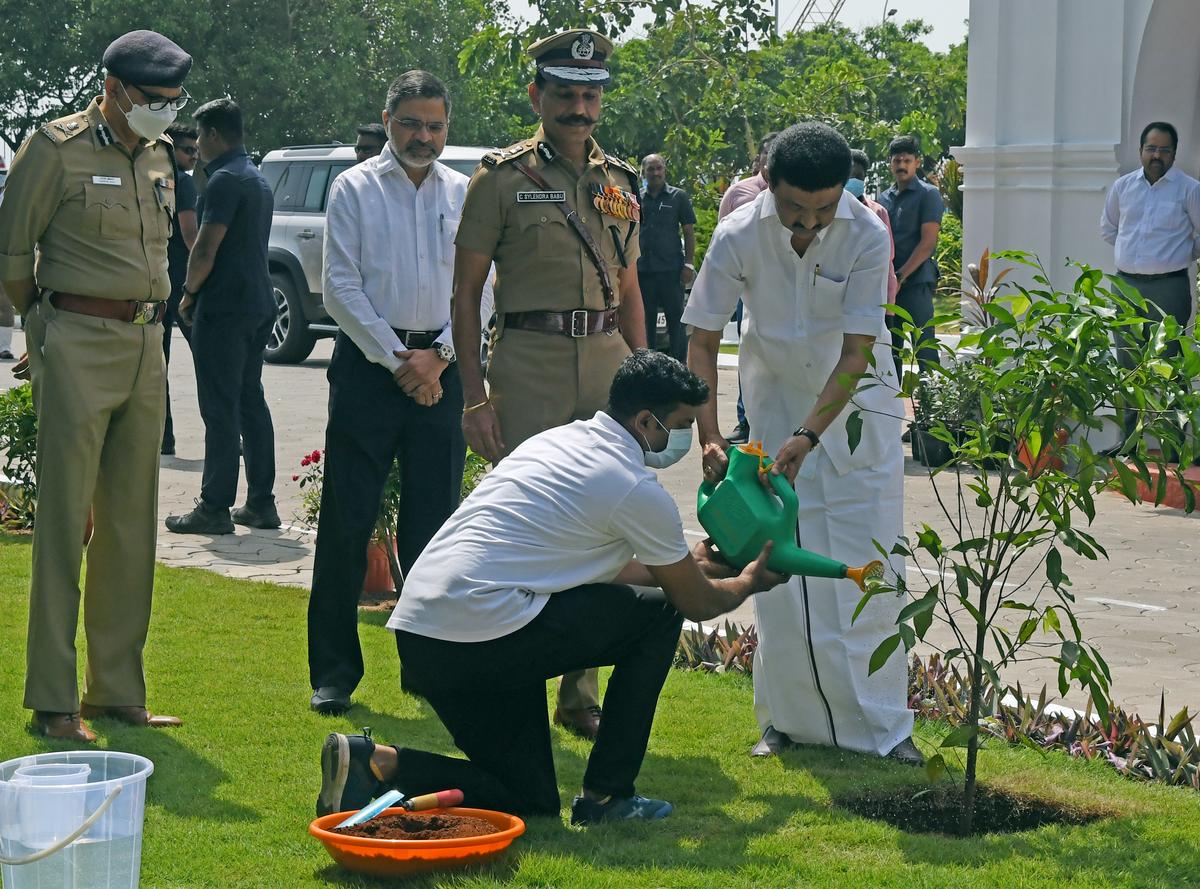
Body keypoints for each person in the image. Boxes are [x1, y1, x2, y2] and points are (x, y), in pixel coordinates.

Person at [315, 350, 787, 824]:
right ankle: (607, 796)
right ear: (646, 421)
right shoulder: (634, 487)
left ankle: (375, 762)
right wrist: (748, 580)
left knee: (529, 800)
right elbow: (695, 602)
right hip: (479, 636)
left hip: (427, 634)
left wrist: (690, 565)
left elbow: (586, 565)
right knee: (659, 614)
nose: (685, 438)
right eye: (682, 424)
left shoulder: (559, 442)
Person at [684, 121, 920, 764]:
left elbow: (857, 351)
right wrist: (711, 435)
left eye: (824, 209)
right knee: (775, 568)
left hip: (853, 418)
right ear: (768, 184)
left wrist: (810, 434)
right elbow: (702, 339)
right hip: (771, 417)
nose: (810, 222)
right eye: (795, 207)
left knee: (867, 567)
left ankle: (884, 728)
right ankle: (784, 720)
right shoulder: (738, 233)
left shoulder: (867, 232)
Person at [451, 28, 648, 741]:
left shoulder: (620, 182)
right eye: (564, 93)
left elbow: (629, 288)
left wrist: (646, 376)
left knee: (603, 524)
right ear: (538, 95)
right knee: (526, 524)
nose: (578, 108)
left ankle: (579, 690)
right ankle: (509, 675)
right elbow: (465, 294)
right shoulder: (500, 178)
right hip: (527, 363)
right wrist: (474, 397)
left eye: (590, 95)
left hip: (605, 361)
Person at [0, 29, 191, 741]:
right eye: (155, 98)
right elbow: (12, 252)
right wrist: (42, 323)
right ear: (113, 89)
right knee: (62, 523)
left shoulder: (161, 157)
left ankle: (115, 689)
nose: (166, 110)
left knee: (129, 524)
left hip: (147, 342)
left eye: (175, 99)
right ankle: (54, 699)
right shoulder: (55, 149)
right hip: (77, 334)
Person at [307, 71, 490, 715]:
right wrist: (399, 363)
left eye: (435, 126)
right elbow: (340, 288)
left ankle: (431, 669)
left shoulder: (464, 192)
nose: (423, 137)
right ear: (387, 121)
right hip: (370, 370)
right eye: (411, 123)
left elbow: (482, 288)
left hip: (442, 369)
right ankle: (333, 674)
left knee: (434, 529)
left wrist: (437, 359)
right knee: (347, 522)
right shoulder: (353, 188)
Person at [165, 98, 278, 534]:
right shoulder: (255, 177)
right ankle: (261, 503)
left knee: (219, 406)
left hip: (226, 306)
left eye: (199, 136)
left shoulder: (224, 180)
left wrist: (189, 292)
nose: (197, 146)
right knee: (250, 400)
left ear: (213, 134)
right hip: (258, 302)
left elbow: (205, 248)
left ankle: (213, 507)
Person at [1100, 120, 1200, 452]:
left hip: (1168, 289)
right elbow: (1109, 229)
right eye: (1151, 148)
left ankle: (1174, 448)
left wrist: (1176, 254)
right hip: (1126, 287)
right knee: (1127, 366)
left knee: (1170, 366)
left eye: (1164, 150)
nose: (1156, 155)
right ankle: (1127, 443)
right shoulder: (1123, 187)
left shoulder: (1189, 189)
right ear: (1141, 150)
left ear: (1174, 153)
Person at [717, 131, 777, 445]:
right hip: (747, 287)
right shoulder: (739, 192)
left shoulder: (795, 193)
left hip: (782, 286)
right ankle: (746, 420)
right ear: (759, 159)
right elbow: (722, 239)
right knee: (748, 353)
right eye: (767, 155)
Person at [878, 135, 944, 382]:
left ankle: (932, 401)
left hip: (916, 282)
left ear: (917, 162)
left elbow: (928, 243)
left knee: (925, 347)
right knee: (890, 349)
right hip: (889, 285)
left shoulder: (929, 194)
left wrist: (900, 276)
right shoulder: (883, 198)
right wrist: (890, 280)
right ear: (890, 163)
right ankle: (891, 402)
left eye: (907, 160)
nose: (901, 165)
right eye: (897, 160)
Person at [160, 121, 200, 455]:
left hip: (156, 283)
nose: (194, 156)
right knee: (209, 359)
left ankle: (163, 438)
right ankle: (227, 433)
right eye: (188, 150)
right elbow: (190, 234)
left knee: (157, 366)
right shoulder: (183, 182)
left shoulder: (150, 177)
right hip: (184, 284)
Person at [638, 153, 696, 361]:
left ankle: (679, 367)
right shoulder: (636, 198)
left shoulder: (678, 197)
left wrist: (689, 265)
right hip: (643, 271)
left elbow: (689, 232)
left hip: (672, 271)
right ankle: (648, 366)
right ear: (643, 172)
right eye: (650, 169)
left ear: (665, 170)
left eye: (659, 168)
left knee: (676, 323)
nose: (655, 173)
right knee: (645, 322)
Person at [847, 149, 899, 306]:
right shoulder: (827, 211)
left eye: (858, 176)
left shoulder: (878, 212)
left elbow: (887, 259)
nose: (853, 180)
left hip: (873, 297)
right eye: (849, 175)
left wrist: (889, 305)